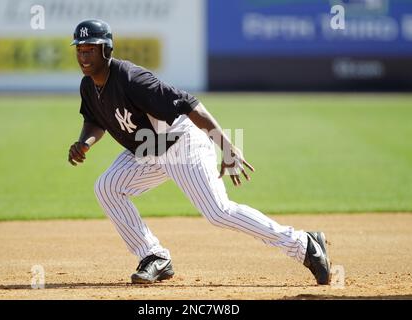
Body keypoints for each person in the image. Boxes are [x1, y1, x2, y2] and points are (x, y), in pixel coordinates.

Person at [68, 19, 332, 285]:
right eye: (80, 49)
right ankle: (154, 256)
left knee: (218, 212)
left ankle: (303, 244)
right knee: (107, 187)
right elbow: (95, 120)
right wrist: (84, 143)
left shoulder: (131, 78)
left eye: (90, 48)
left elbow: (190, 104)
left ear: (106, 50)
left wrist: (227, 146)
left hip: (181, 143)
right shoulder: (88, 86)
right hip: (148, 150)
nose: (83, 55)